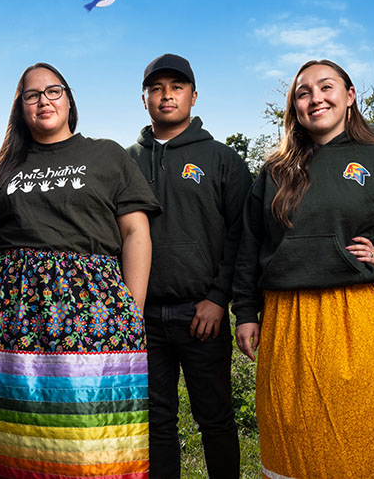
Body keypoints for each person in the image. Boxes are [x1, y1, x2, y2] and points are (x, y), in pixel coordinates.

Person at [0, 62, 161, 478]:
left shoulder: (107, 154)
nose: (44, 101)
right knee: (11, 428)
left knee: (87, 434)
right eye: (31, 95)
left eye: (53, 91)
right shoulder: (0, 169)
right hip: (8, 316)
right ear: (20, 108)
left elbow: (135, 232)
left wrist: (133, 308)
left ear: (69, 100)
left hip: (93, 315)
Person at [233, 59, 374, 478]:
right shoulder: (275, 170)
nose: (316, 97)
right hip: (287, 317)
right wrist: (245, 311)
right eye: (303, 91)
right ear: (294, 107)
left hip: (356, 314)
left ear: (350, 96)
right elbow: (249, 245)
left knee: (357, 437)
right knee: (291, 439)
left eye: (327, 86)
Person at [127, 53, 250, 479]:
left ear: (194, 96)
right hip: (141, 315)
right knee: (156, 421)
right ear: (143, 99)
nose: (166, 95)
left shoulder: (223, 159)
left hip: (202, 313)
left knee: (214, 418)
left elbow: (243, 236)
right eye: (156, 88)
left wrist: (219, 299)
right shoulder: (125, 162)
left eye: (176, 87)